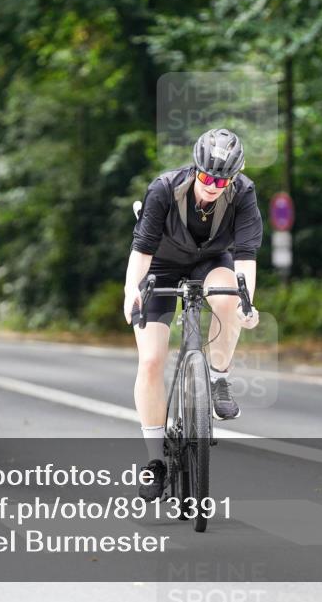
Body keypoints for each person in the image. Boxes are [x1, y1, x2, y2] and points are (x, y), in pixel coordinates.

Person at [122, 128, 263, 501]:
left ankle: (218, 378)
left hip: (211, 262)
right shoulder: (164, 189)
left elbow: (245, 258)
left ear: (234, 177)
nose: (213, 185)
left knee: (229, 296)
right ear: (195, 168)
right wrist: (130, 293)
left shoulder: (243, 193)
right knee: (151, 361)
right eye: (206, 176)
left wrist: (246, 299)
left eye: (222, 179)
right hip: (161, 266)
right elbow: (141, 250)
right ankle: (156, 463)